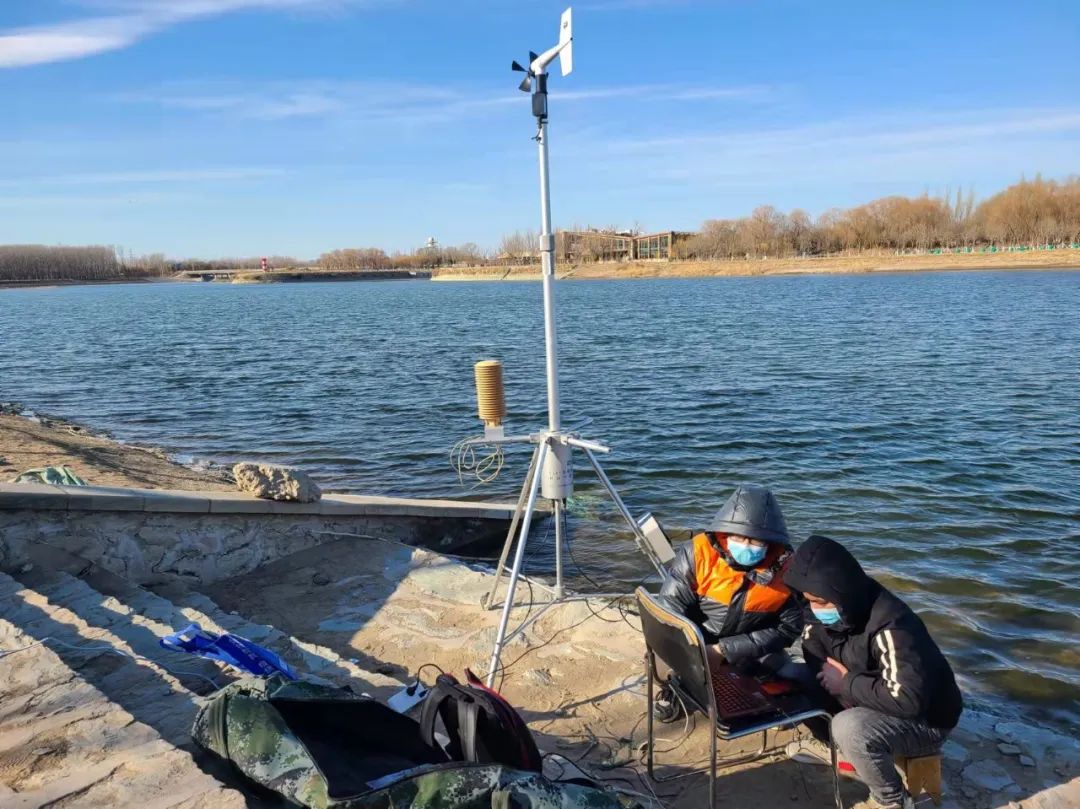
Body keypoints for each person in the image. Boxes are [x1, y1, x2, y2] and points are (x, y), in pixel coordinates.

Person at [782, 535, 963, 809]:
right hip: (870, 693)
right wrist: (831, 676)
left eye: (820, 600)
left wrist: (845, 683)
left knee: (850, 728)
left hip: (927, 720)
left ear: (842, 592)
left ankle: (891, 799)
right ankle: (837, 749)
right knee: (794, 677)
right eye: (808, 600)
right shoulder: (820, 611)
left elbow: (908, 699)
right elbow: (813, 648)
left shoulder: (891, 625)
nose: (815, 609)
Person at [653, 484, 804, 721]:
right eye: (738, 537)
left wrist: (725, 650)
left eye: (755, 541)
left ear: (770, 543)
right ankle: (679, 686)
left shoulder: (787, 569)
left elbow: (789, 628)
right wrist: (695, 651)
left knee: (787, 677)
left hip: (748, 648)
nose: (745, 545)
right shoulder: (698, 553)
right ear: (724, 533)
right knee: (674, 671)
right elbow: (669, 610)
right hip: (700, 640)